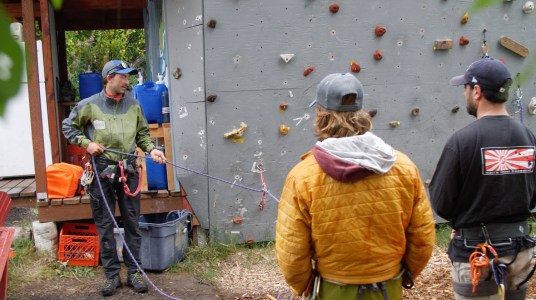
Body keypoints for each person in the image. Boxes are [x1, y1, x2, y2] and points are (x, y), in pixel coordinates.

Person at [275, 72, 435, 299]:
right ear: (360, 113)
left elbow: (291, 251)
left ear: (321, 114)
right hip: (388, 288)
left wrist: (306, 286)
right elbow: (423, 236)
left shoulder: (303, 176)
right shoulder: (403, 167)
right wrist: (403, 274)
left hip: (333, 290)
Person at [429, 57, 536, 299]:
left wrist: (465, 221)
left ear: (477, 91)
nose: (464, 93)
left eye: (465, 88)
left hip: (477, 256)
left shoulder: (462, 141)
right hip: (519, 255)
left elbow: (441, 202)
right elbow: (531, 195)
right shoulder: (527, 137)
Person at [62, 60, 167, 297]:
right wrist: (86, 143)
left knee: (132, 223)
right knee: (105, 225)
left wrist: (152, 150)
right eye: (123, 76)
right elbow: (69, 127)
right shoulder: (88, 105)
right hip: (101, 172)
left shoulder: (134, 105)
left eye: (129, 76)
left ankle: (134, 272)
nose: (127, 80)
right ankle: (111, 275)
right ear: (109, 77)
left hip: (128, 171)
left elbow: (142, 134)